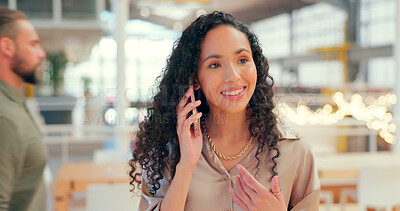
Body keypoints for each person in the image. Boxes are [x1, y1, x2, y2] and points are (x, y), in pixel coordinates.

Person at [129, 11, 320, 211]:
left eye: (243, 60)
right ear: (195, 79)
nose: (233, 75)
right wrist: (185, 166)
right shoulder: (166, 151)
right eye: (215, 65)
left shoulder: (297, 152)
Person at [0, 7, 47, 211]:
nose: (42, 54)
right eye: (33, 44)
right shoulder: (5, 118)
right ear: (7, 46)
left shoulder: (14, 103)